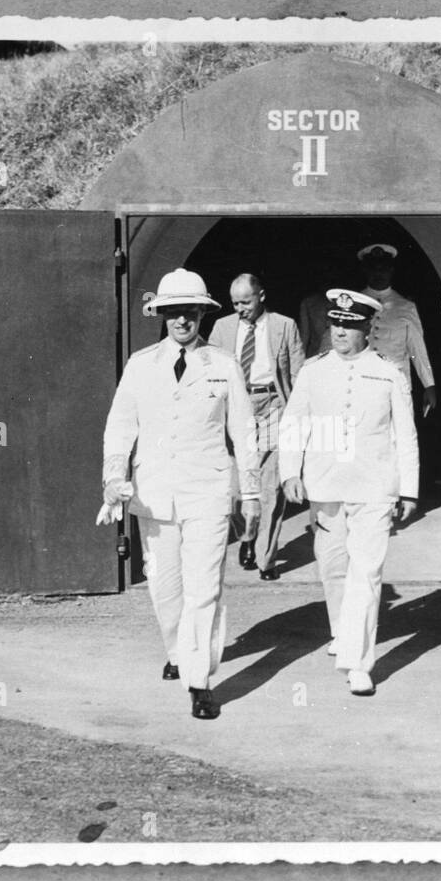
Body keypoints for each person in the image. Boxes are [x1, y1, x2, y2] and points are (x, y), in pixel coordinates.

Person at [99, 268, 260, 720]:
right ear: (162, 316)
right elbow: (120, 428)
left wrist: (250, 495)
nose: (181, 322)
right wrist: (113, 479)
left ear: (202, 315)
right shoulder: (141, 364)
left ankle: (200, 680)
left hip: (207, 489)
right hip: (154, 492)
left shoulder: (224, 365)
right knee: (164, 586)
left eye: (189, 313)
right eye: (173, 313)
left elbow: (244, 434)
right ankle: (177, 649)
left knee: (204, 588)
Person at [279, 289, 419, 696]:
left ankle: (359, 663)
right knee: (332, 565)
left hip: (375, 486)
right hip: (326, 484)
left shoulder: (389, 371)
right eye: (335, 323)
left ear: (365, 329)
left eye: (348, 324)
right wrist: (290, 471)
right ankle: (342, 631)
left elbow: (404, 435)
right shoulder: (313, 370)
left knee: (367, 570)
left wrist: (407, 489)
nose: (339, 330)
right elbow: (294, 423)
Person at [208, 274, 305, 580]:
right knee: (237, 488)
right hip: (237, 408)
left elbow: (299, 372)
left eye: (246, 302)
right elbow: (208, 371)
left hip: (274, 405)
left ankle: (266, 557)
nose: (240, 309)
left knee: (271, 488)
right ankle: (247, 535)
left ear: (261, 296)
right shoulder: (222, 328)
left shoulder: (284, 325)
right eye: (235, 303)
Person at [356, 243, 438, 419]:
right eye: (373, 269)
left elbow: (416, 348)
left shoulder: (405, 307)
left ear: (391, 270)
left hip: (395, 387)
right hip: (358, 385)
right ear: (365, 270)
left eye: (383, 268)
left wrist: (428, 384)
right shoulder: (354, 302)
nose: (378, 273)